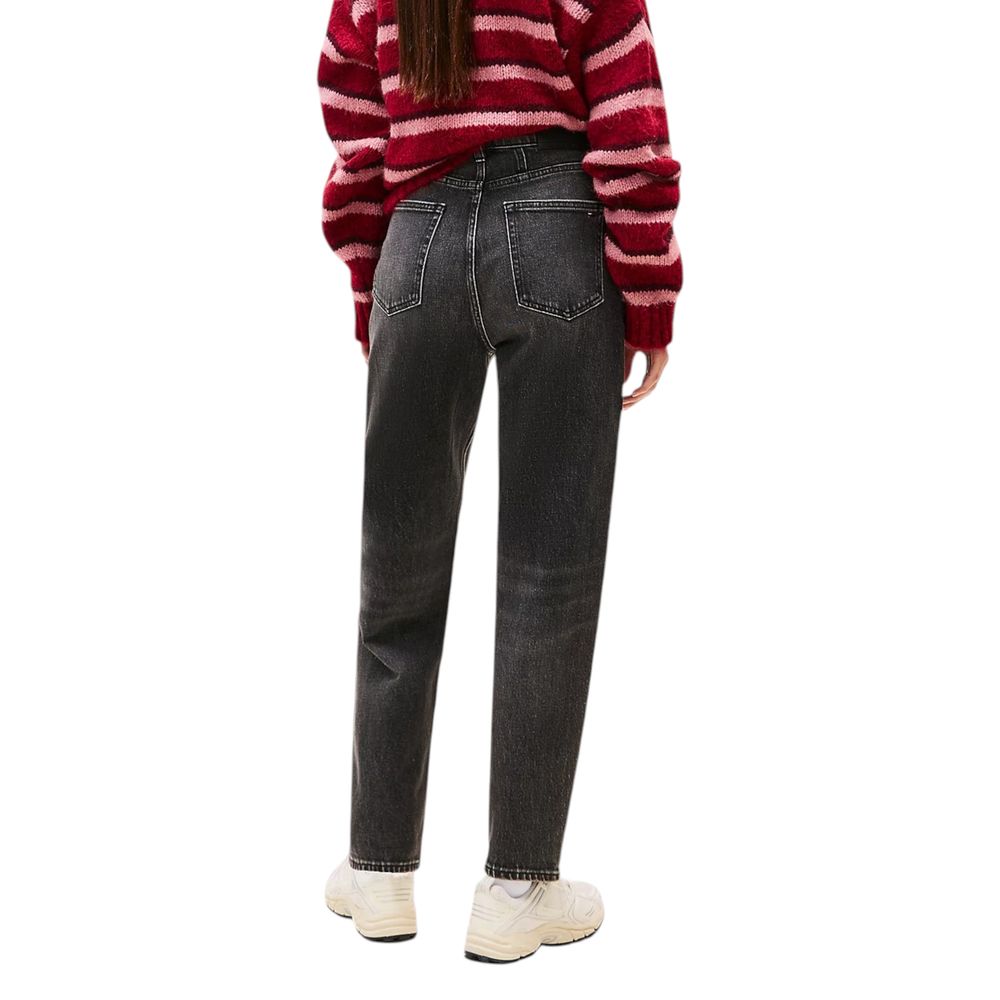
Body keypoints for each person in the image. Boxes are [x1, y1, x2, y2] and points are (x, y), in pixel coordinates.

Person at [316, 0, 682, 963]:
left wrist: (374, 291)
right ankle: (519, 888)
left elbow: (355, 132)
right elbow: (632, 129)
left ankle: (380, 870)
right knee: (548, 580)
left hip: (417, 238)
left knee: (397, 569)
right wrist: (649, 295)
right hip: (560, 235)